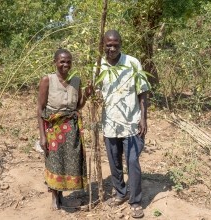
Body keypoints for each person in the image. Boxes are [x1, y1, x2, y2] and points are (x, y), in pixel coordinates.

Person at [97, 30, 149, 218]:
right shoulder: (98, 66)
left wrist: (143, 118)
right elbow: (94, 94)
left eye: (115, 44)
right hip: (109, 123)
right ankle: (121, 193)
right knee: (114, 162)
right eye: (108, 45)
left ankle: (135, 201)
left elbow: (142, 92)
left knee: (133, 162)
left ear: (121, 43)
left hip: (131, 123)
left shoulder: (132, 63)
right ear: (103, 44)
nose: (112, 48)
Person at [37, 48, 91, 210]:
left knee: (69, 164)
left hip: (71, 129)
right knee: (54, 162)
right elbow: (40, 109)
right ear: (55, 62)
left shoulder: (76, 81)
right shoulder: (47, 80)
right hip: (53, 129)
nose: (65, 64)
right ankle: (55, 197)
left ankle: (63, 196)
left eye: (68, 61)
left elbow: (78, 105)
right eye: (62, 61)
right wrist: (42, 136)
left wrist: (86, 95)